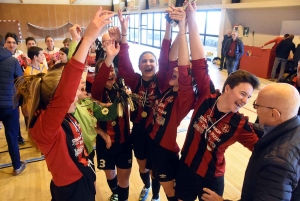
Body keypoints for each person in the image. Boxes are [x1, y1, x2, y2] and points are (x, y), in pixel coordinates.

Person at [15, 9, 114, 201]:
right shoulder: (45, 127)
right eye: (73, 93)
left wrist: (79, 40)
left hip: (82, 176)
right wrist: (86, 39)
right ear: (56, 101)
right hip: (71, 190)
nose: (78, 96)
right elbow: (68, 81)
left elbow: (70, 74)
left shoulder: (64, 114)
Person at [174, 2, 260, 200]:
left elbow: (265, 152)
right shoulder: (207, 95)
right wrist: (192, 21)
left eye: (248, 97)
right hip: (186, 167)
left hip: (211, 179)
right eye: (242, 93)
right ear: (227, 88)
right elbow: (199, 61)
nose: (244, 100)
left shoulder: (240, 124)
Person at [115, 8, 181, 201]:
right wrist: (124, 32)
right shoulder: (134, 80)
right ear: (139, 65)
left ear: (156, 65)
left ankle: (155, 194)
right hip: (138, 131)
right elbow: (124, 59)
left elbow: (165, 55)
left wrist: (169, 27)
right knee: (143, 166)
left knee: (156, 169)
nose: (148, 63)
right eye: (144, 61)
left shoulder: (161, 82)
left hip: (158, 131)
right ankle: (146, 185)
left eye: (151, 60)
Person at [201, 83, 300, 201]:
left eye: (257, 105)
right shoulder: (292, 129)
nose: (256, 110)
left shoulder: (276, 164)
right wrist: (236, 123)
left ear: (274, 114)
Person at [144, 6, 194, 201]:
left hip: (165, 150)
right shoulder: (166, 87)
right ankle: (154, 196)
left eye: (179, 73)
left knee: (171, 192)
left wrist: (185, 29)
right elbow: (171, 58)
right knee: (153, 176)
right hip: (153, 143)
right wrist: (181, 26)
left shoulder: (184, 98)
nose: (175, 72)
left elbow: (181, 67)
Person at [91, 37, 132, 201]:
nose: (110, 72)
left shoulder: (122, 87)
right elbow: (100, 81)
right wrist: (108, 58)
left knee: (125, 178)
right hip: (105, 143)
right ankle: (115, 193)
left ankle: (121, 198)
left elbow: (125, 66)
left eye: (111, 69)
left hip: (124, 142)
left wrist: (123, 37)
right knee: (110, 175)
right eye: (104, 71)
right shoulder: (96, 92)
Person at [0, 34, 25, 176]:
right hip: (9, 105)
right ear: (4, 44)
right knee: (11, 136)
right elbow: (21, 82)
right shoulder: (12, 61)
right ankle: (16, 166)